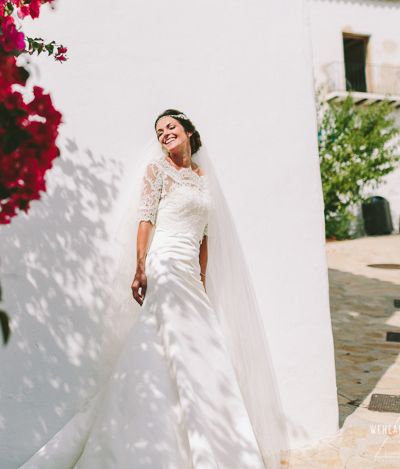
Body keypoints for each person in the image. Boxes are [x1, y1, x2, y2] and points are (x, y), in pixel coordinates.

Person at [19, 110, 289, 469]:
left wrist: (202, 278)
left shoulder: (204, 179)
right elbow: (146, 220)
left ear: (189, 131)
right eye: (159, 131)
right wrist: (141, 266)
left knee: (192, 339)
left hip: (190, 269)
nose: (164, 134)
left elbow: (205, 236)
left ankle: (202, 433)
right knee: (178, 337)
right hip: (163, 261)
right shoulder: (157, 170)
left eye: (171, 128)